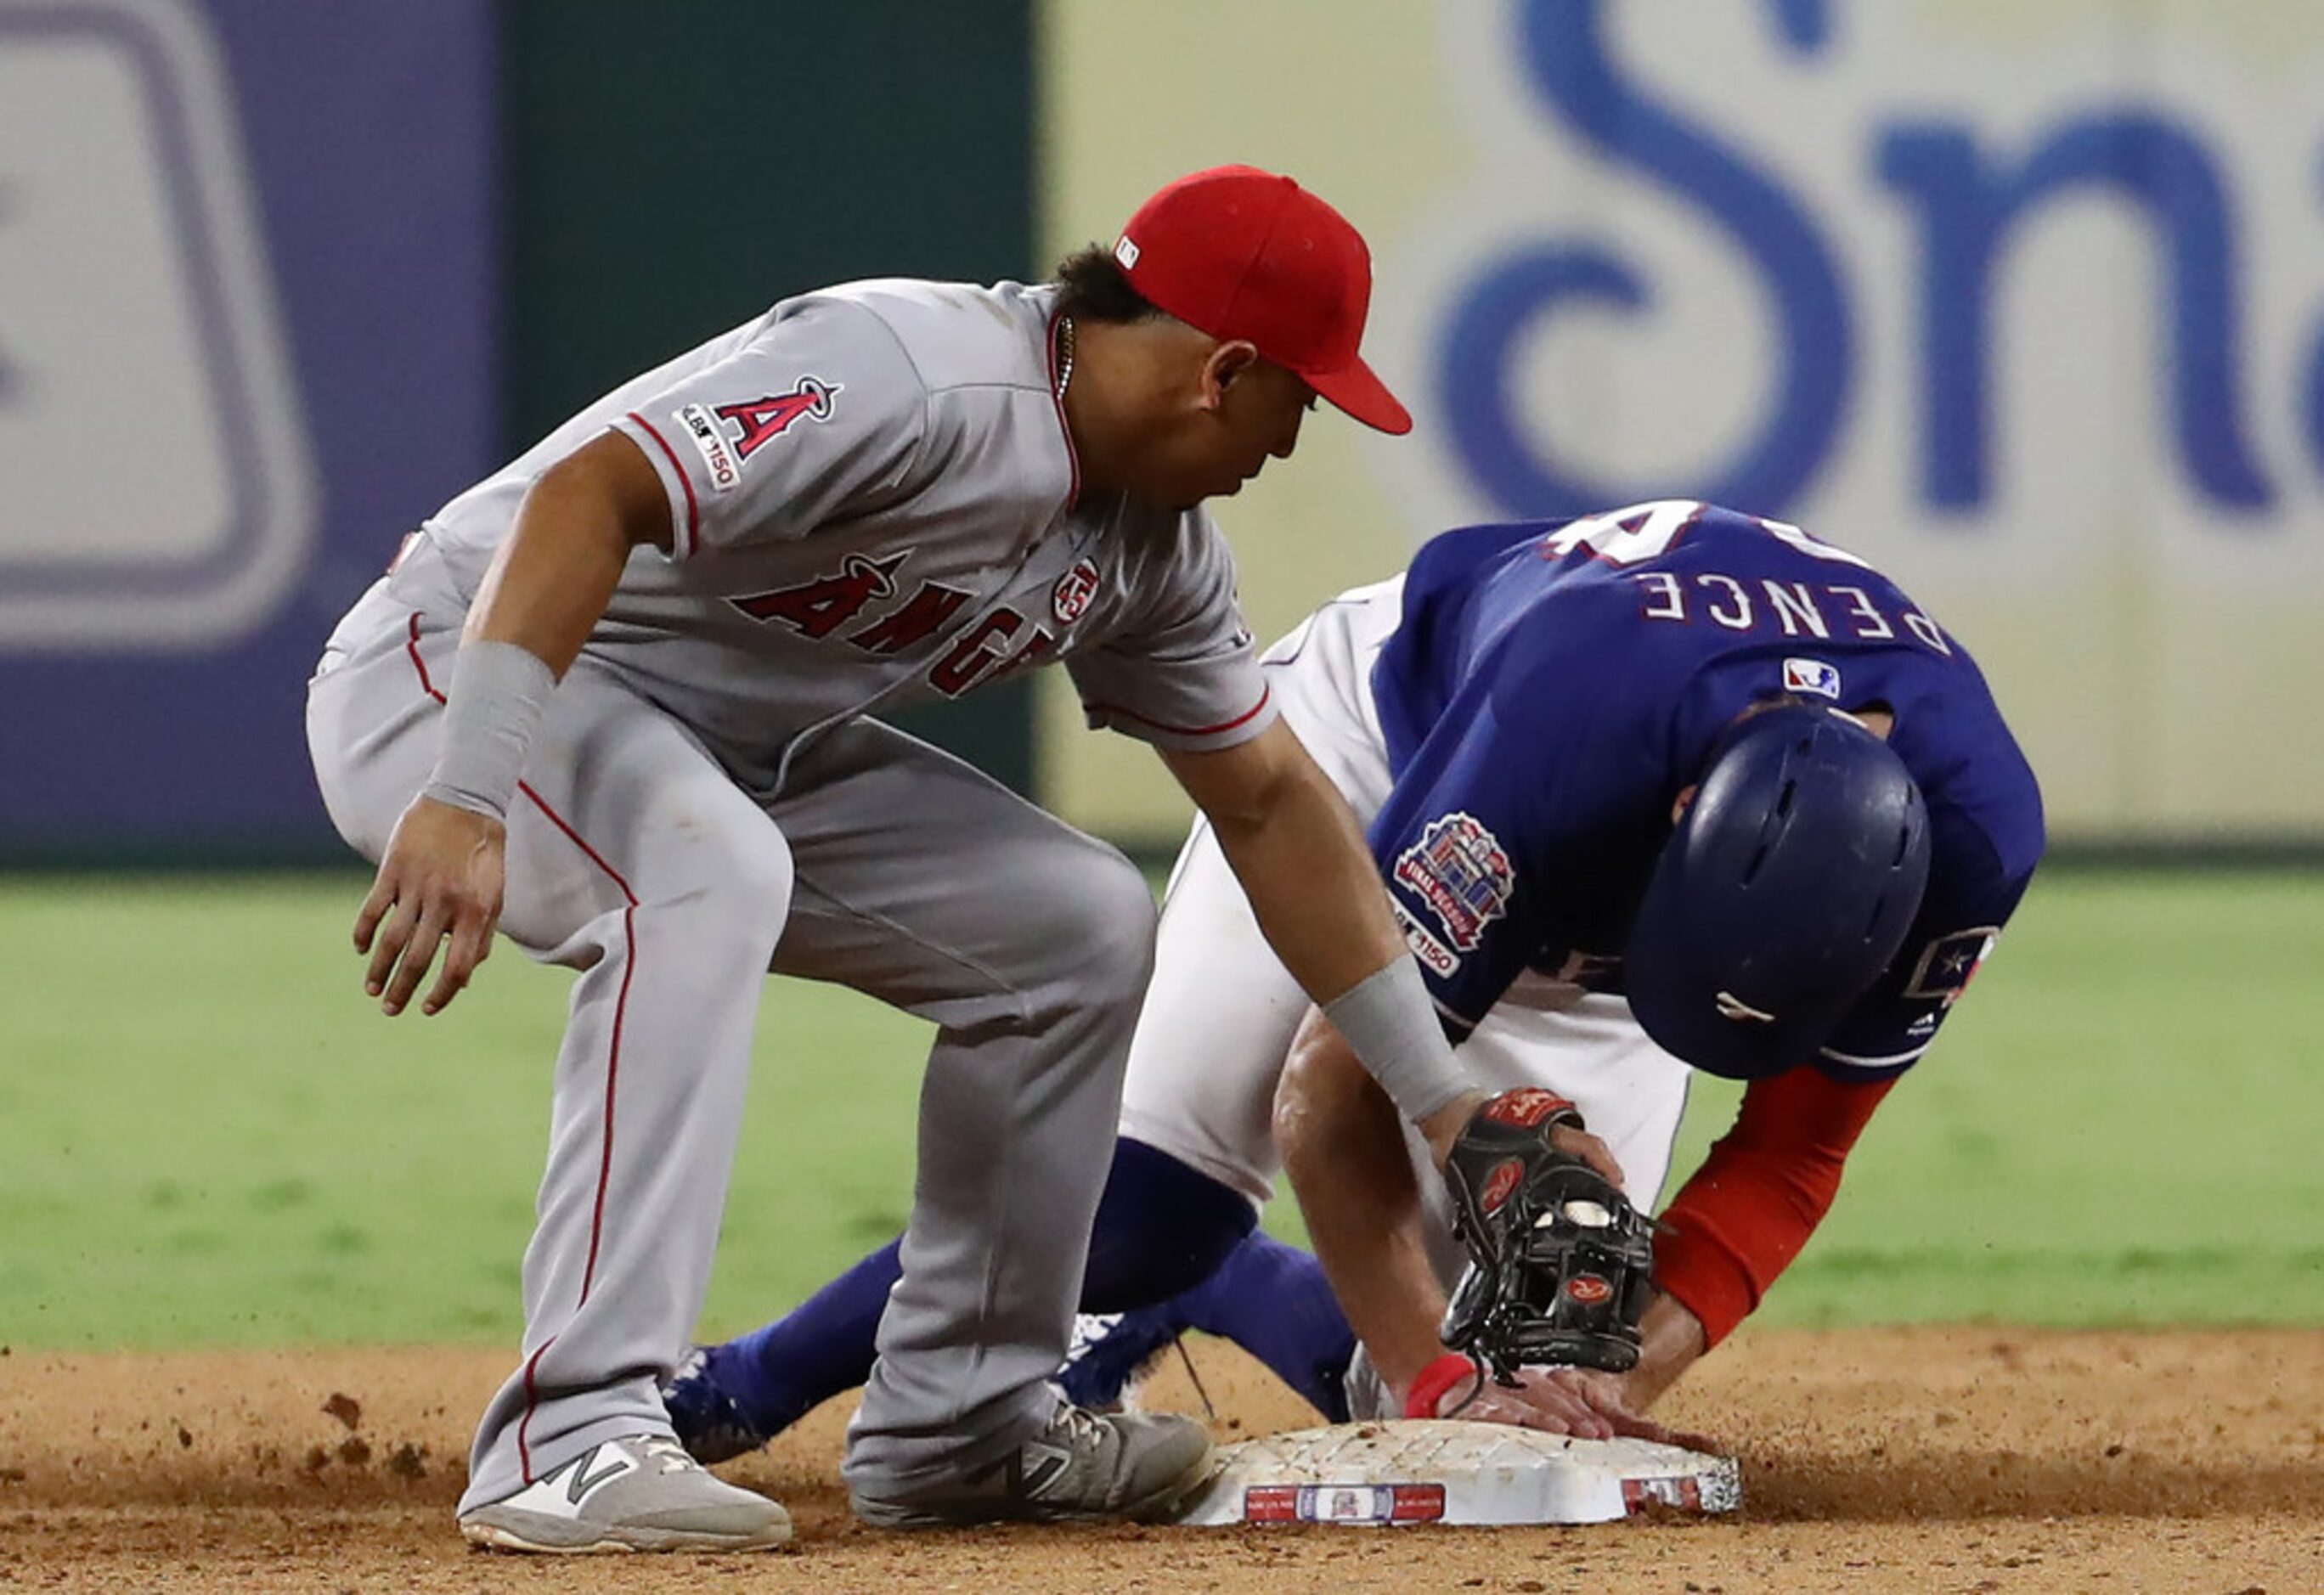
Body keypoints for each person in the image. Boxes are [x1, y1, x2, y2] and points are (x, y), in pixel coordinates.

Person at [305, 165, 1510, 1553]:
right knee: (708, 870)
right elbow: (591, 492)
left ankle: (963, 1425)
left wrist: (1443, 1104)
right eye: (1300, 399)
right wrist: (471, 785)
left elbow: (1272, 805)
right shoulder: (912, 374)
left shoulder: (1154, 552)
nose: (1292, 443)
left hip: (719, 748)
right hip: (461, 666)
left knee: (1078, 924)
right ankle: (565, 1436)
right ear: (1222, 371)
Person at [665, 499, 2045, 1458]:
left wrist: (1597, 1386)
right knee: (1156, 1205)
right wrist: (1445, 1393)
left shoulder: (1974, 838)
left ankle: (1237, 1299)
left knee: (1547, 1327)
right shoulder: (1563, 731)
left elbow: (1793, 1159)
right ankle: (737, 1387)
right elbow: (1327, 1091)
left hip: (1626, 835)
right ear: (1684, 811)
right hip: (1386, 752)